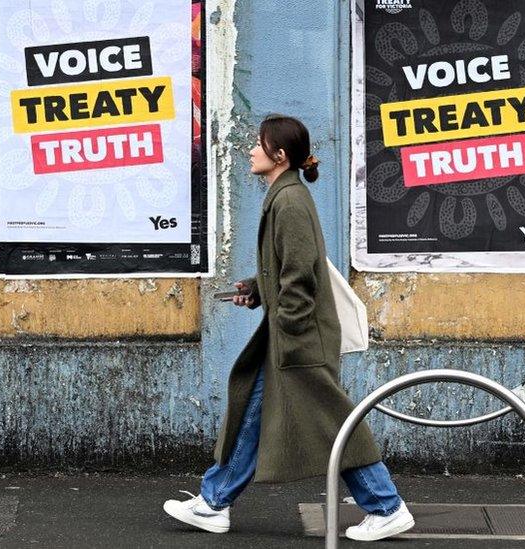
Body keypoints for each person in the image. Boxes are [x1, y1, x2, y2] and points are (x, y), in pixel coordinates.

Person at [163, 115, 414, 542]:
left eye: (258, 144)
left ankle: (386, 506)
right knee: (254, 415)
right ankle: (214, 501)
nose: (250, 150)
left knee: (332, 421)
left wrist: (290, 332)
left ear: (279, 155)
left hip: (299, 339)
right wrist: (258, 289)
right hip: (291, 335)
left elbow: (300, 276)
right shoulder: (284, 195)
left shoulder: (291, 201)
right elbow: (288, 269)